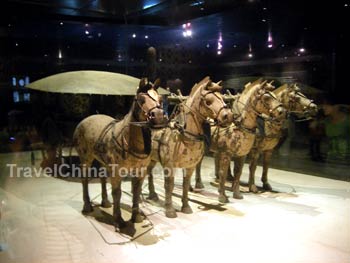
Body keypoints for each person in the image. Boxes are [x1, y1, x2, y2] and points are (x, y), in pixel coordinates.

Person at [320, 97, 350, 162]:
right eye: (323, 105)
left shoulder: (348, 121)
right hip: (331, 158)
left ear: (336, 106)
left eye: (327, 105)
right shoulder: (326, 121)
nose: (323, 107)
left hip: (346, 160)